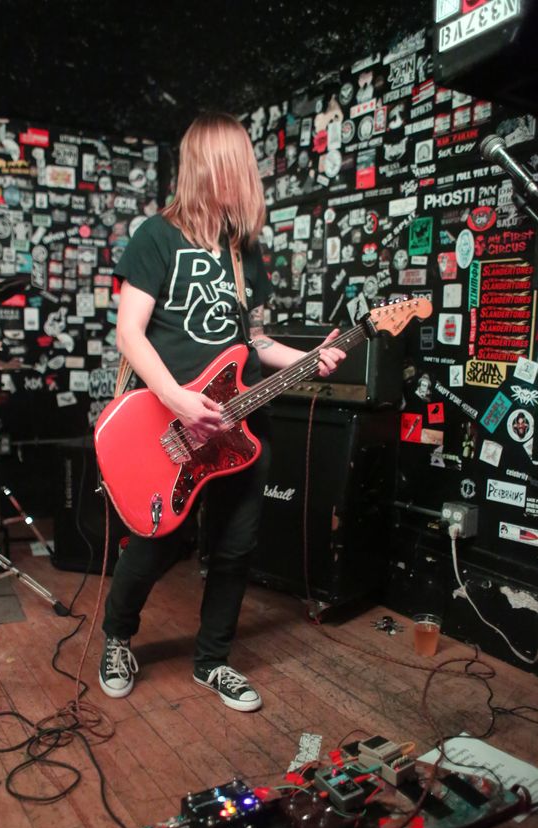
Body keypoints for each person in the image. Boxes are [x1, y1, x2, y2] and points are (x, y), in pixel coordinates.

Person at [100, 112, 344, 713]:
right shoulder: (156, 237)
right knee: (156, 544)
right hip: (170, 421)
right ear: (211, 166)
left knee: (236, 548)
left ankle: (212, 661)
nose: (247, 175)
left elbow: (254, 340)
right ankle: (117, 638)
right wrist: (177, 397)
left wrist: (310, 358)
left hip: (241, 424)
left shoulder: (243, 251)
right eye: (238, 163)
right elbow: (129, 333)